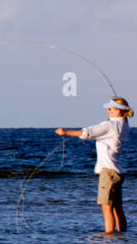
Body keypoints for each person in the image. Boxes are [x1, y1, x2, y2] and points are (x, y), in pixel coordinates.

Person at [56, 96, 132, 234]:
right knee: (117, 207)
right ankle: (122, 235)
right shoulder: (124, 126)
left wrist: (65, 132)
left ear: (118, 111)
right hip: (118, 172)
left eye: (111, 108)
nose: (108, 110)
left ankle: (109, 237)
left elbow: (88, 133)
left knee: (106, 208)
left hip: (108, 172)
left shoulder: (111, 126)